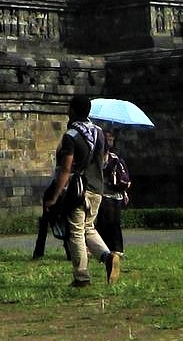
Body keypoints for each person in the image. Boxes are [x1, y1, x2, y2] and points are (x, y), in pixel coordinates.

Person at [44, 95, 121, 287]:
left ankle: (81, 276)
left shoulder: (71, 136)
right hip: (97, 189)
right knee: (88, 227)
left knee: (76, 232)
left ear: (73, 111)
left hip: (79, 190)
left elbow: (66, 169)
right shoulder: (99, 132)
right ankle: (108, 256)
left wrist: (54, 195)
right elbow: (103, 161)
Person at [95, 131, 132, 254]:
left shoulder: (111, 158)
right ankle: (112, 249)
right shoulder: (111, 157)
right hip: (113, 195)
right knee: (110, 223)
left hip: (109, 194)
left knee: (108, 223)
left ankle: (112, 250)